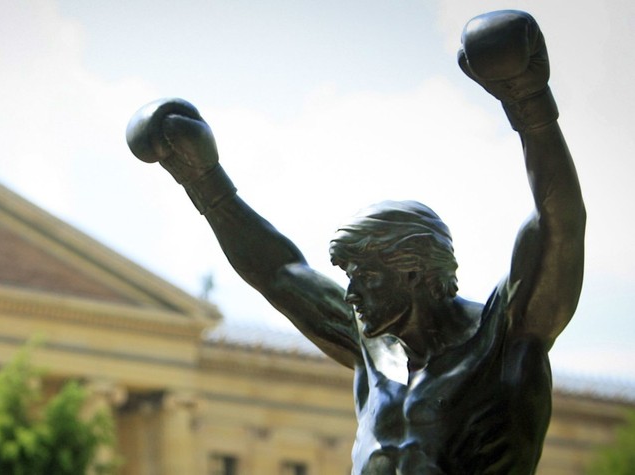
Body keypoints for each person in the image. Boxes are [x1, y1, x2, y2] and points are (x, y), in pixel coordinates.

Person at [126, 10, 584, 474]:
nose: (351, 292)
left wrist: (529, 103)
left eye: (365, 276)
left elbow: (558, 224)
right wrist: (202, 181)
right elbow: (279, 274)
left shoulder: (505, 337)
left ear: (412, 271)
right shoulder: (373, 347)